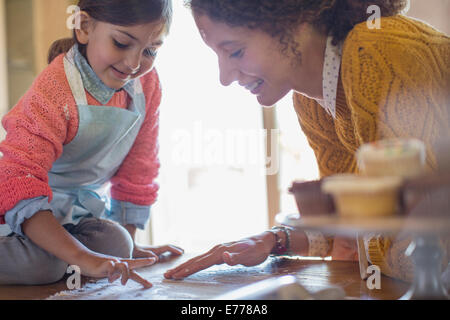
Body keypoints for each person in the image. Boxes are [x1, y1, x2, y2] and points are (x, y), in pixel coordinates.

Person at [164, 0, 450, 282]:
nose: (224, 77)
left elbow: (425, 251)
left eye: (235, 51)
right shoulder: (311, 97)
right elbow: (352, 222)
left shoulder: (377, 49)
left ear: (294, 21)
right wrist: (275, 240)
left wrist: (358, 243)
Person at [0, 0, 183, 287]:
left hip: (72, 216)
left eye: (150, 51)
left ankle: (68, 255)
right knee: (45, 266)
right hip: (17, 213)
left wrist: (128, 249)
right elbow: (17, 178)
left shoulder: (146, 85)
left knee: (117, 244)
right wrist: (82, 257)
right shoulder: (56, 88)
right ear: (84, 28)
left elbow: (139, 169)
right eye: (122, 43)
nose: (134, 64)